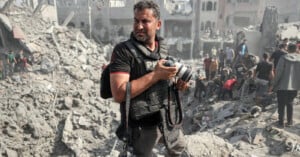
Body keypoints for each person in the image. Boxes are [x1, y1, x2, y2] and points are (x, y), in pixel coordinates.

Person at [109, 1, 187, 156]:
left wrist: (178, 84)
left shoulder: (163, 48)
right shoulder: (123, 52)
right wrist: (155, 75)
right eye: (136, 21)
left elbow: (167, 82)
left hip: (169, 123)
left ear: (158, 24)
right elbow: (118, 94)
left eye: (145, 21)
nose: (139, 26)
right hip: (142, 130)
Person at [273, 43, 300, 127]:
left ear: (287, 49)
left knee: (281, 104)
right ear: (296, 49)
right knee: (290, 103)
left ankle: (281, 123)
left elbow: (279, 72)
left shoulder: (283, 58)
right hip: (295, 86)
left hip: (282, 86)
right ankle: (289, 122)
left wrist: (274, 83)